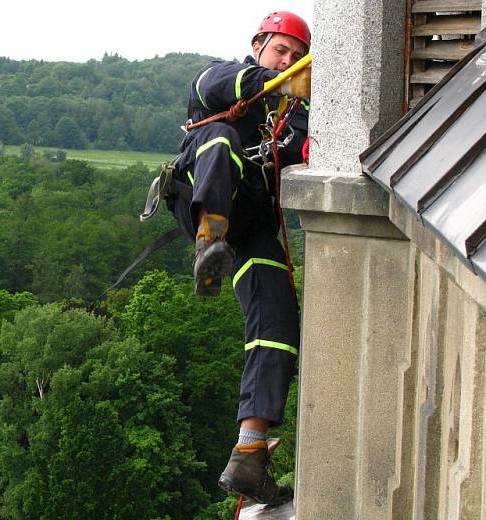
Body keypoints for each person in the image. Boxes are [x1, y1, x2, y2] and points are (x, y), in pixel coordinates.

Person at [169, 10, 311, 506]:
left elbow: (320, 151)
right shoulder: (223, 76)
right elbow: (217, 84)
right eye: (281, 51)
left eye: (296, 57)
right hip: (204, 197)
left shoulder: (296, 120)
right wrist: (280, 82)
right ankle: (209, 240)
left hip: (251, 224)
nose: (288, 61)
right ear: (258, 45)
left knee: (278, 320)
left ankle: (249, 454)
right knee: (222, 140)